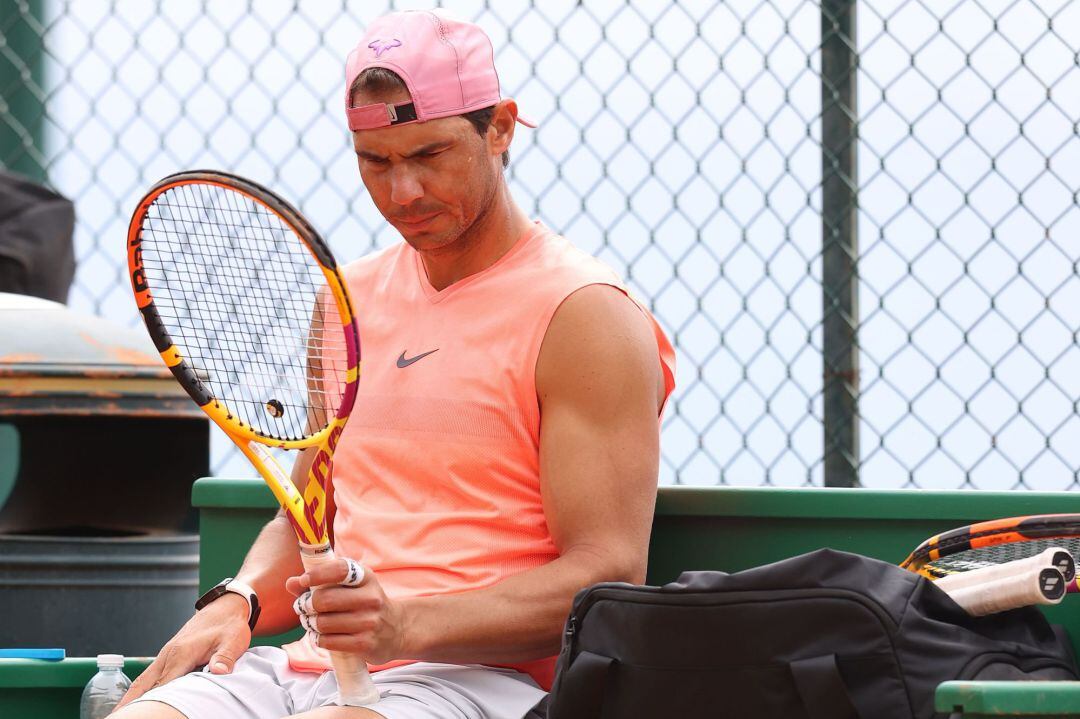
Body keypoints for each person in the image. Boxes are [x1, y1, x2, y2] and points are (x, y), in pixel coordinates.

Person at [114, 8, 675, 719]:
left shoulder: (585, 315)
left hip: (477, 680)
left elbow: (607, 574)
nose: (402, 191)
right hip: (305, 667)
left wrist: (403, 624)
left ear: (499, 127)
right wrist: (244, 598)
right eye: (375, 161)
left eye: (429, 155)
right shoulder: (346, 300)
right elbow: (309, 518)